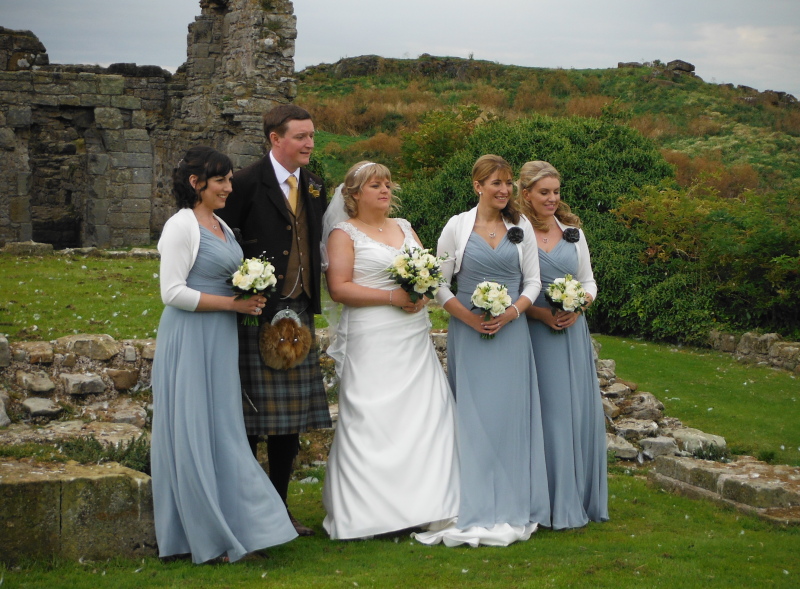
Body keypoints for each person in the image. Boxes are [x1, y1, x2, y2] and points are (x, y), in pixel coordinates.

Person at [151, 146, 297, 564]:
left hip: (220, 336)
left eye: (231, 180)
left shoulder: (221, 225)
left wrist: (249, 292)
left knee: (223, 430)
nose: (230, 188)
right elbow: (172, 292)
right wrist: (232, 306)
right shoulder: (181, 226)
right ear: (196, 184)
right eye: (222, 181)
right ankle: (204, 535)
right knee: (195, 430)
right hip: (191, 336)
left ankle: (239, 526)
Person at [414, 154, 550, 547]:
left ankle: (512, 500)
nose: (505, 190)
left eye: (508, 183)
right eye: (496, 183)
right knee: (472, 415)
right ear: (477, 186)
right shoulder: (457, 226)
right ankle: (471, 497)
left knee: (510, 414)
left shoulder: (520, 226)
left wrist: (511, 313)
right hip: (468, 332)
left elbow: (533, 282)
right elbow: (438, 285)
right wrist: (469, 319)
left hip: (511, 333)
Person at [321, 161, 460, 539]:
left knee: (425, 414)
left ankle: (427, 506)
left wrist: (422, 292)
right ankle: (369, 514)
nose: (385, 190)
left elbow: (426, 272)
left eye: (387, 183)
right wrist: (391, 296)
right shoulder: (343, 233)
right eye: (374, 185)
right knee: (373, 418)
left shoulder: (404, 227)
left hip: (412, 334)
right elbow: (339, 288)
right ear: (353, 195)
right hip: (372, 336)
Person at [216, 105, 331, 536]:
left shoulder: (316, 185)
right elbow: (223, 242)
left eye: (312, 136)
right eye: (301, 137)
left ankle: (280, 508)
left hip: (298, 311)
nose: (309, 144)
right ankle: (249, 512)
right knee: (252, 419)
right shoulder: (244, 183)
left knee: (291, 420)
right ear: (274, 138)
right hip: (255, 312)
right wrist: (243, 290)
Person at [518, 160, 609, 529]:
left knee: (572, 411)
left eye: (556, 192)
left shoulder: (573, 233)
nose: (552, 199)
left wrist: (578, 306)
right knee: (545, 413)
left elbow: (589, 282)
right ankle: (544, 499)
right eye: (544, 192)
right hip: (534, 331)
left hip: (571, 332)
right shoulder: (516, 231)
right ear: (526, 194)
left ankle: (574, 496)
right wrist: (540, 315)